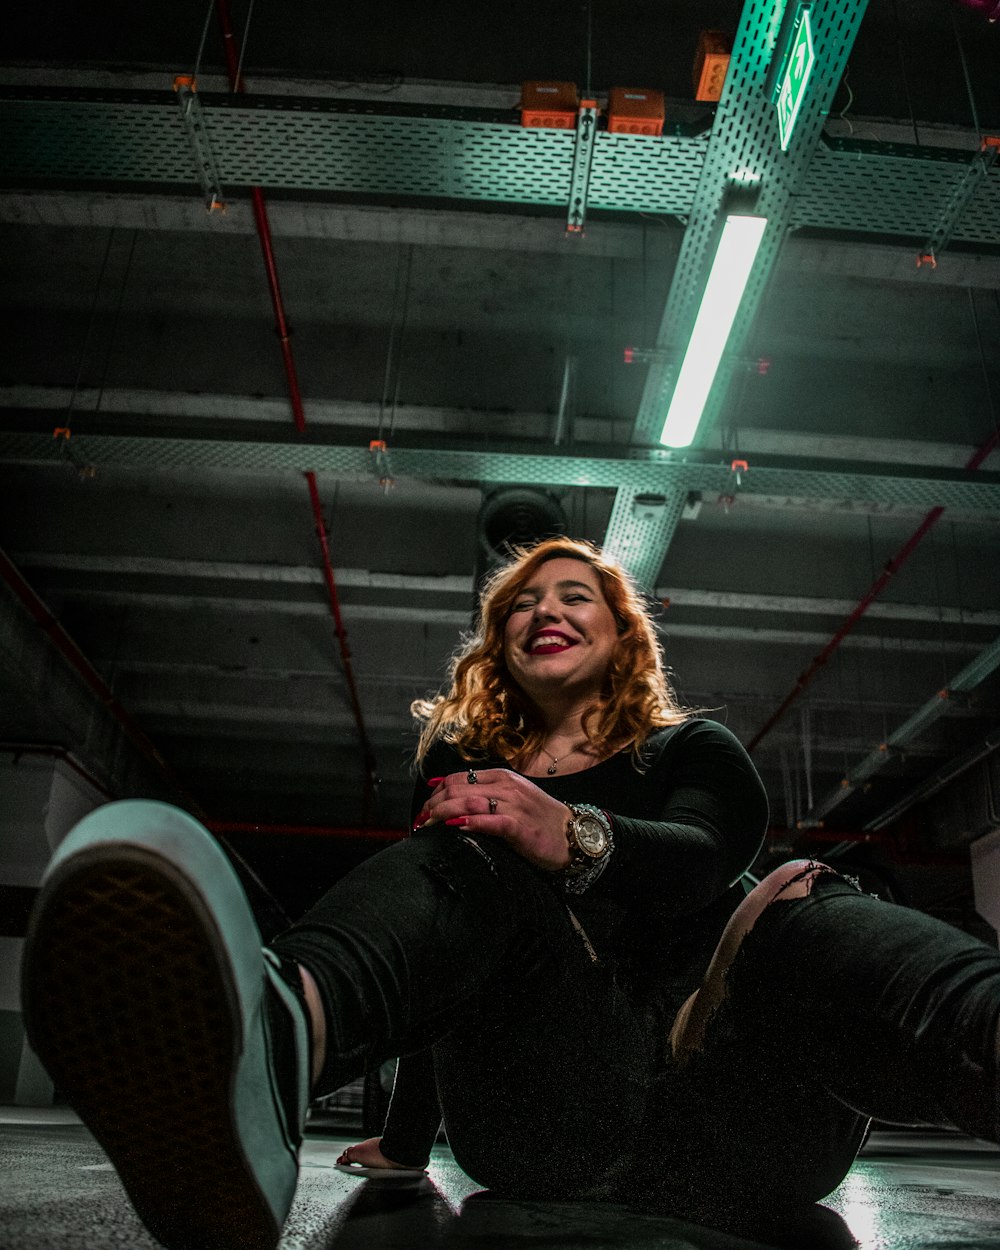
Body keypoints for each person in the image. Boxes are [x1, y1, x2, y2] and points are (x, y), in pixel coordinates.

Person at [20, 537, 1000, 1250]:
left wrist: (570, 832)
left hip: (741, 1121)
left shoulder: (690, 749)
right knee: (474, 851)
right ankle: (269, 1052)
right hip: (544, 1119)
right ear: (501, 643)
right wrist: (405, 1142)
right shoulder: (464, 772)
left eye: (576, 594)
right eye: (522, 603)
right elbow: (432, 952)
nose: (545, 609)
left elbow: (703, 855)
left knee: (796, 907)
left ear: (622, 638)